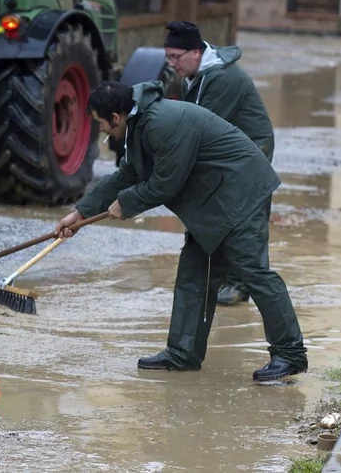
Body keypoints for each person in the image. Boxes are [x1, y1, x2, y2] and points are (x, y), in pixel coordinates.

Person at [55, 80, 307, 382]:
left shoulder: (162, 123)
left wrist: (126, 203)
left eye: (101, 123)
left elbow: (165, 183)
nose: (102, 130)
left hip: (241, 193)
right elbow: (128, 173)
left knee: (254, 273)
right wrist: (81, 213)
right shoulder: (140, 124)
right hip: (212, 201)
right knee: (193, 274)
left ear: (116, 117)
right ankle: (183, 353)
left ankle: (290, 354)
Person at [163, 20, 274, 306]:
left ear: (196, 53)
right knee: (220, 210)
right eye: (168, 57)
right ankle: (226, 277)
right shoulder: (196, 75)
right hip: (226, 149)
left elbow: (200, 127)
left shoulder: (223, 79)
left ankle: (240, 284)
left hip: (250, 151)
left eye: (176, 57)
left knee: (245, 216)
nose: (171, 64)